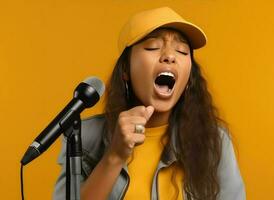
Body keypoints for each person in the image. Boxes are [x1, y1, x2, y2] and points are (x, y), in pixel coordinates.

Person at [54, 7, 246, 200]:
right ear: (125, 70)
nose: (170, 56)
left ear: (189, 78)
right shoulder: (83, 136)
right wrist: (115, 156)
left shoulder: (215, 140)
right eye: (153, 47)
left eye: (182, 51)